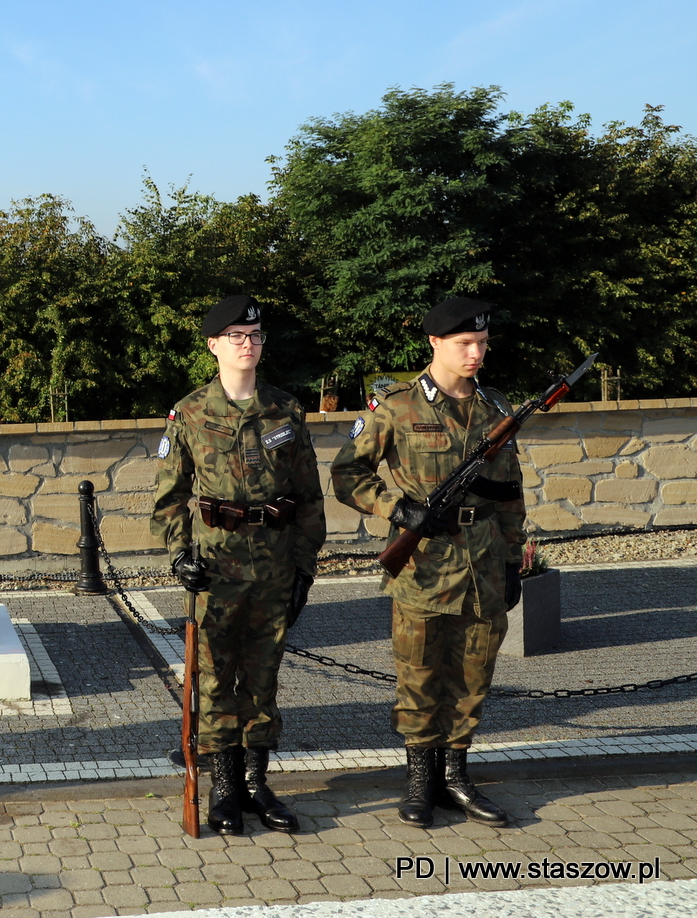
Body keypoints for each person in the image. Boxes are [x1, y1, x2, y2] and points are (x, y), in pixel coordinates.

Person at [330, 296, 525, 829]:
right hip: (423, 567)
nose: (476, 353)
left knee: (472, 674)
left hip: (483, 562)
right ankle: (420, 779)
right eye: (465, 343)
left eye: (483, 343)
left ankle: (456, 777)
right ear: (435, 342)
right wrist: (398, 507)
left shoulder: (496, 408)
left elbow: (510, 492)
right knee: (418, 676)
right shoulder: (396, 407)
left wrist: (512, 560)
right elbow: (347, 474)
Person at [149, 296, 325, 836]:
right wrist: (180, 555)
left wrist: (304, 568)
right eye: (235, 336)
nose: (247, 344)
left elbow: (308, 496)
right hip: (215, 569)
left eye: (254, 335)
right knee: (216, 680)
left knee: (264, 677)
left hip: (273, 567)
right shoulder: (190, 413)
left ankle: (257, 784)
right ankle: (225, 787)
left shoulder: (286, 411)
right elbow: (170, 497)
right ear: (213, 346)